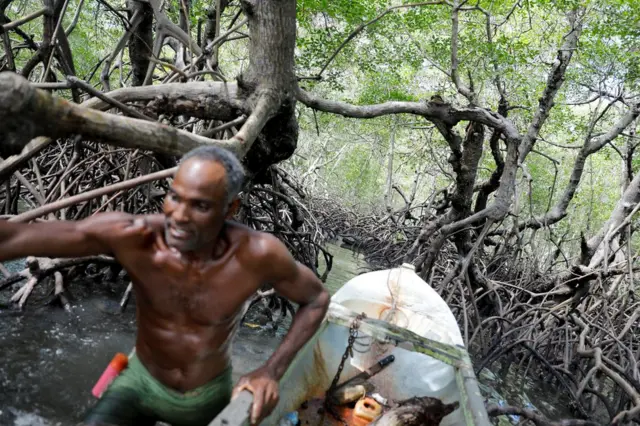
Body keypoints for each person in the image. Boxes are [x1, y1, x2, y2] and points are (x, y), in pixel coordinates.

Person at [0, 145, 330, 426]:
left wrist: (270, 370)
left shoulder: (258, 254)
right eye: (175, 197)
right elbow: (18, 236)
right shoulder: (135, 237)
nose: (180, 216)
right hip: (138, 381)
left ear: (231, 208)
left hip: (205, 395)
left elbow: (316, 299)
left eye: (200, 206)